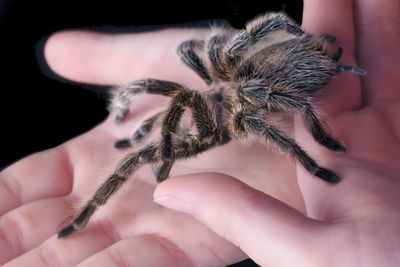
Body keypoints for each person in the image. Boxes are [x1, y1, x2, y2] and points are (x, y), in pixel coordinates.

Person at [1, 0, 400, 266]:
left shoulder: (237, 111)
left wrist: (312, 159)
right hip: (255, 76)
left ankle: (312, 144)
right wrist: (129, 113)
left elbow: (218, 77)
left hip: (270, 81)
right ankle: (83, 215)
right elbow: (193, 58)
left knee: (198, 108)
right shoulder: (217, 78)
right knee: (160, 118)